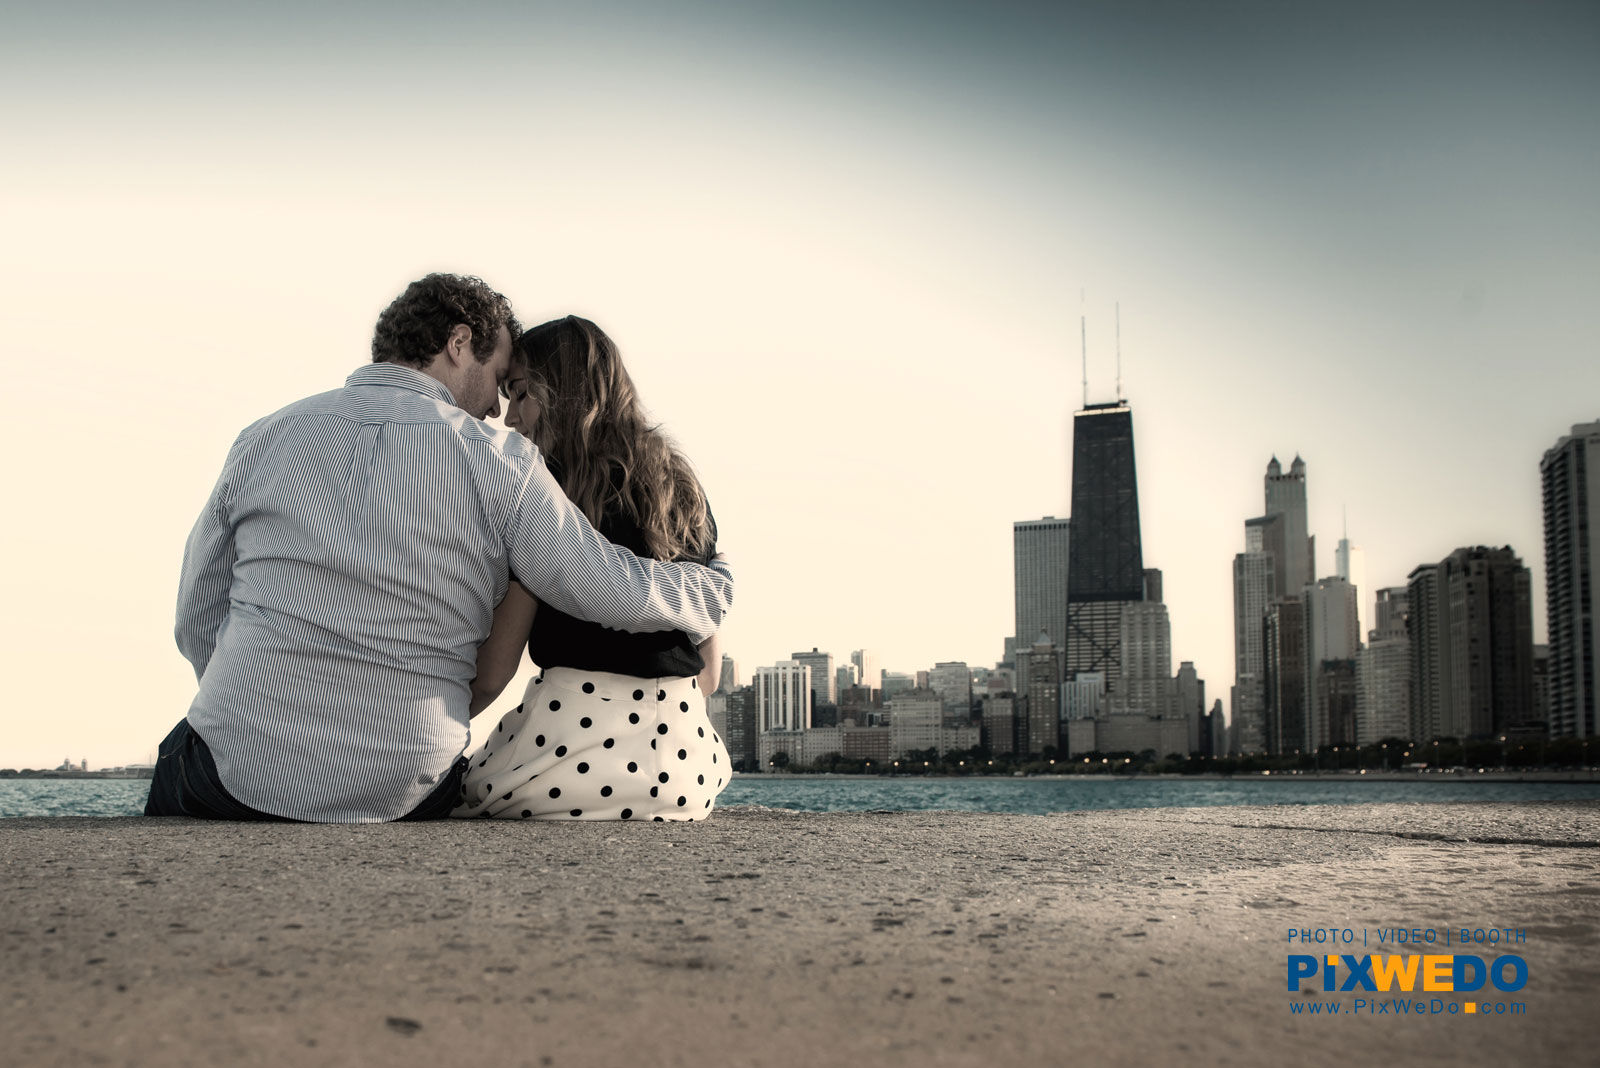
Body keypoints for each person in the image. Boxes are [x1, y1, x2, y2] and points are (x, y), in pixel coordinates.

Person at [146, 275, 733, 823]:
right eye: (499, 377)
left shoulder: (268, 436)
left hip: (232, 772)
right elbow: (607, 590)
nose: (497, 410)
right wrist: (714, 586)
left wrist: (257, 713)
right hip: (405, 786)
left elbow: (195, 616)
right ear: (459, 343)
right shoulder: (503, 463)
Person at [453, 316, 729, 821]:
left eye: (520, 394)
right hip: (686, 773)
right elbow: (709, 672)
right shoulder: (679, 484)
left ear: (559, 392)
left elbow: (495, 673)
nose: (511, 418)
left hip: (568, 753)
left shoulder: (542, 495)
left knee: (461, 795)